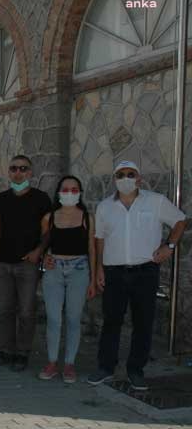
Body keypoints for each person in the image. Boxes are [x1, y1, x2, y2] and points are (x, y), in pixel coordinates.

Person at [87, 161, 186, 391]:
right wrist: (100, 267)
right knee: (111, 321)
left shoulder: (155, 201)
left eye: (131, 174)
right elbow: (99, 238)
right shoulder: (104, 207)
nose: (125, 178)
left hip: (145, 272)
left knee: (143, 323)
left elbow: (180, 221)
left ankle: (135, 370)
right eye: (120, 175)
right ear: (114, 179)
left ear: (139, 178)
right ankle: (105, 367)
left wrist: (169, 246)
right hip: (114, 272)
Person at [0, 154, 52, 371]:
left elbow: (47, 231)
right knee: (5, 309)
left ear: (30, 173)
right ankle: (7, 350)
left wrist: (39, 251)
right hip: (4, 264)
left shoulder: (41, 199)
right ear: (9, 172)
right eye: (14, 168)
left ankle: (23, 352)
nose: (18, 173)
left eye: (23, 169)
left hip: (28, 264)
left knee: (26, 310)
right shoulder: (1, 199)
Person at [37, 176, 96, 383]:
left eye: (74, 189)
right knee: (54, 319)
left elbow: (91, 249)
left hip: (79, 270)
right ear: (59, 192)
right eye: (65, 189)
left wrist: (94, 278)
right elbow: (44, 243)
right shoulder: (49, 217)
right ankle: (52, 362)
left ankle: (69, 364)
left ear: (79, 192)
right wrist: (45, 258)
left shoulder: (87, 218)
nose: (69, 193)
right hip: (54, 272)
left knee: (73, 319)